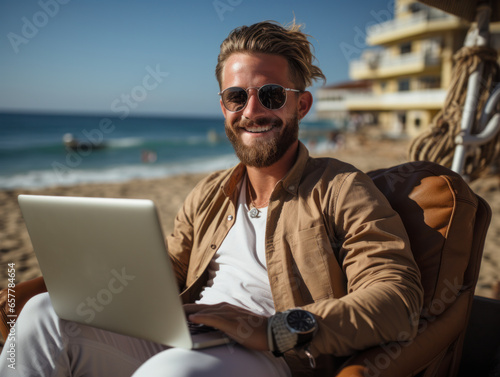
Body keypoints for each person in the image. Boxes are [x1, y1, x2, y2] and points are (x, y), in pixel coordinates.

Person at [0, 21, 423, 376]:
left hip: (272, 355)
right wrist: (91, 277)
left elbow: (396, 298)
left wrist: (275, 329)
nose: (251, 110)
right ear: (223, 107)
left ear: (302, 105)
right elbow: (167, 268)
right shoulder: (208, 193)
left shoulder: (341, 188)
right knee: (38, 318)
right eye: (236, 96)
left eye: (271, 95)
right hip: (186, 335)